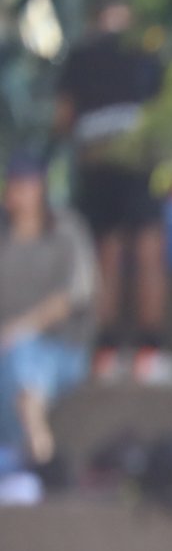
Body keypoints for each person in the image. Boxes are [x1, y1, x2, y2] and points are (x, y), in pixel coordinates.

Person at [54, 0, 172, 385]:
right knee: (144, 247)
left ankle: (108, 350)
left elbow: (64, 117)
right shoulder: (142, 52)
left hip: (97, 161)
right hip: (133, 160)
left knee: (109, 251)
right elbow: (164, 110)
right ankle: (147, 350)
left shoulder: (79, 55)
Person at [0, 153, 96, 472]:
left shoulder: (67, 232)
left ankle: (35, 447)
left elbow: (73, 295)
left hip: (61, 348)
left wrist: (19, 329)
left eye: (28, 185)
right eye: (15, 185)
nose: (20, 193)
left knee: (21, 353)